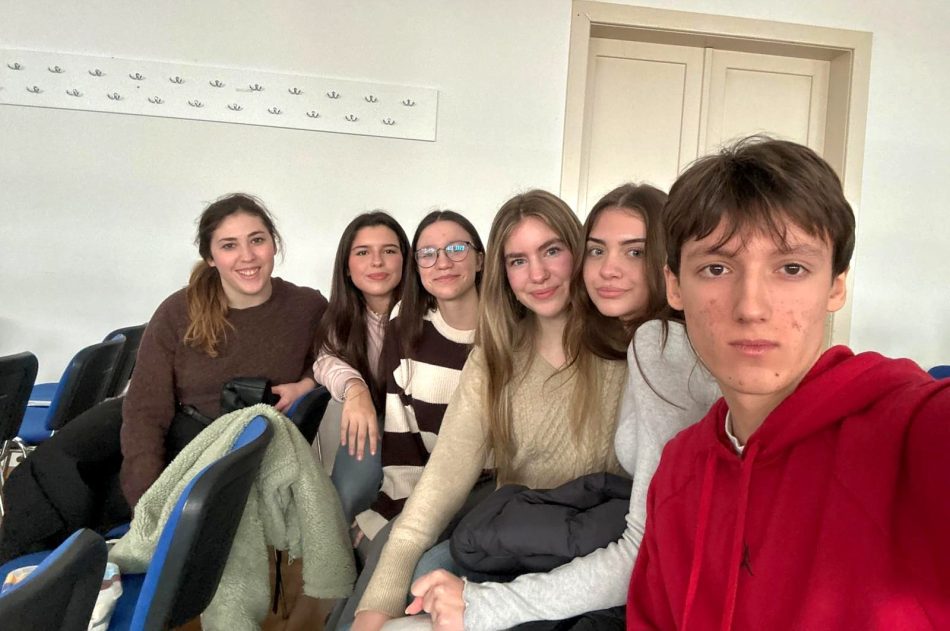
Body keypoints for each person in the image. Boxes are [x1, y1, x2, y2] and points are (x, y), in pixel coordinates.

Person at [626, 137, 950, 629]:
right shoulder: (677, 471)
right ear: (674, 286)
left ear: (835, 285)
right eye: (716, 268)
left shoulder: (911, 431)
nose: (751, 307)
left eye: (792, 268)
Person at [412, 184, 720, 630]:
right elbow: (441, 482)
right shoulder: (633, 340)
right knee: (425, 569)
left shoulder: (658, 345)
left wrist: (486, 605)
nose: (609, 269)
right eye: (598, 251)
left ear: (668, 267)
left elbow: (646, 544)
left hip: (616, 569)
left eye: (635, 252)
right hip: (544, 539)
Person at [351, 190, 628, 631]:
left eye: (551, 251)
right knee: (409, 592)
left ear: (579, 252)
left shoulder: (630, 350)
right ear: (503, 272)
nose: (537, 274)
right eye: (518, 260)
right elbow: (442, 480)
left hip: (605, 557)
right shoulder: (493, 358)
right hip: (515, 542)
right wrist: (376, 605)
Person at [0, 193, 327, 561]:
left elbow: (339, 357)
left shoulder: (307, 307)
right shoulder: (179, 309)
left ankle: (58, 575)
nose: (247, 256)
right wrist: (146, 495)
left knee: (93, 502)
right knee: (45, 471)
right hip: (149, 418)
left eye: (257, 240)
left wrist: (305, 384)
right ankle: (21, 576)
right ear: (210, 257)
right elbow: (145, 408)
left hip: (206, 442)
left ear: (274, 244)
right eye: (229, 245)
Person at [328, 211, 485, 630]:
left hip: (489, 489)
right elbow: (405, 439)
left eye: (456, 248)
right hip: (430, 488)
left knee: (401, 563)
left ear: (480, 259)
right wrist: (390, 509)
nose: (443, 262)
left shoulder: (509, 329)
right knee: (380, 555)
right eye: (428, 253)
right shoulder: (406, 327)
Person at [313, 212, 411, 524]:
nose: (377, 262)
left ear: (405, 260)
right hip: (380, 422)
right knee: (346, 495)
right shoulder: (340, 320)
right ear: (347, 266)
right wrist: (356, 389)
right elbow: (325, 362)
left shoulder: (429, 311)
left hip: (430, 429)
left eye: (389, 251)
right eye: (363, 252)